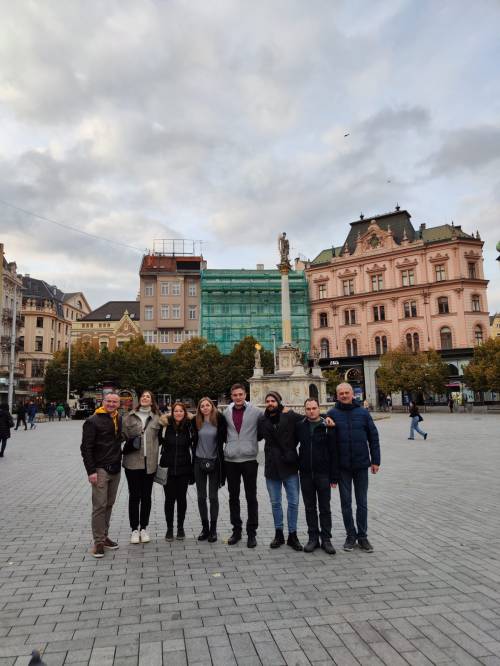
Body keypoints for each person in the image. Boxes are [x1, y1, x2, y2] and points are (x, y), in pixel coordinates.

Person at [327, 383, 380, 553]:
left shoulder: (363, 413)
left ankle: (362, 536)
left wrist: (375, 460)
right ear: (337, 395)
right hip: (343, 467)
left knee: (362, 502)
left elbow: (373, 437)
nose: (344, 395)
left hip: (361, 464)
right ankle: (351, 536)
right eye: (341, 393)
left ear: (352, 394)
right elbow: (327, 440)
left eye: (346, 392)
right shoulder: (332, 413)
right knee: (346, 503)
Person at [257, 391, 303, 551]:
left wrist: (327, 417)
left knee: (294, 502)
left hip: (289, 464)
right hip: (272, 466)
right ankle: (279, 534)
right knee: (275, 503)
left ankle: (292, 535)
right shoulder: (262, 420)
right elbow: (254, 436)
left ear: (279, 401)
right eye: (268, 400)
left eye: (273, 400)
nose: (270, 403)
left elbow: (309, 418)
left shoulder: (290, 416)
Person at [80, 392, 124, 558]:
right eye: (109, 401)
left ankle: (104, 536)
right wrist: (91, 471)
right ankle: (98, 542)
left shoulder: (118, 418)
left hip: (115, 467)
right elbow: (86, 448)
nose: (111, 404)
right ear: (103, 402)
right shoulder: (92, 421)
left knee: (109, 504)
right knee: (99, 505)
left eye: (115, 402)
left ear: (118, 404)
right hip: (100, 469)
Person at [295, 398, 339, 554]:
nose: (311, 411)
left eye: (314, 408)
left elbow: (334, 452)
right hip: (306, 474)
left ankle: (326, 539)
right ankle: (313, 538)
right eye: (308, 408)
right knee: (310, 508)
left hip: (323, 474)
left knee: (325, 508)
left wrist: (334, 477)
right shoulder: (300, 426)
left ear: (319, 409)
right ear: (305, 410)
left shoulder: (328, 425)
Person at [223, 383, 262, 548]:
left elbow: (269, 421)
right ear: (231, 396)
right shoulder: (226, 412)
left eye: (240, 394)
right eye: (235, 395)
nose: (238, 397)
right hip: (231, 460)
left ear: (245, 394)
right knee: (233, 498)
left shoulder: (255, 411)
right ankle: (236, 531)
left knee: (251, 497)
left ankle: (252, 533)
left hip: (249, 460)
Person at [122, 390, 161, 544]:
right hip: (132, 462)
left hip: (149, 463)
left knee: (146, 497)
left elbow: (163, 436)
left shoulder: (158, 418)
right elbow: (121, 436)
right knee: (134, 496)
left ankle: (144, 528)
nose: (145, 398)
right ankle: (134, 529)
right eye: (143, 396)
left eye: (148, 396)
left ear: (152, 401)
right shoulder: (129, 417)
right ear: (140, 400)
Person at [159, 402, 196, 541]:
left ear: (185, 413)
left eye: (181, 411)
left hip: (184, 468)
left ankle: (180, 528)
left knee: (181, 499)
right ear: (172, 413)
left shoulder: (189, 426)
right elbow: (156, 441)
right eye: (176, 411)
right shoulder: (165, 426)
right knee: (169, 500)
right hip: (167, 468)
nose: (178, 413)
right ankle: (169, 529)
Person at [193, 397, 227, 543]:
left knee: (213, 497)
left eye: (208, 405)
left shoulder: (219, 420)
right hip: (199, 461)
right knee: (201, 497)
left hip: (215, 462)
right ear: (199, 408)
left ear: (212, 407)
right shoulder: (195, 422)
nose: (205, 408)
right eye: (202, 406)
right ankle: (205, 528)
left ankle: (213, 529)